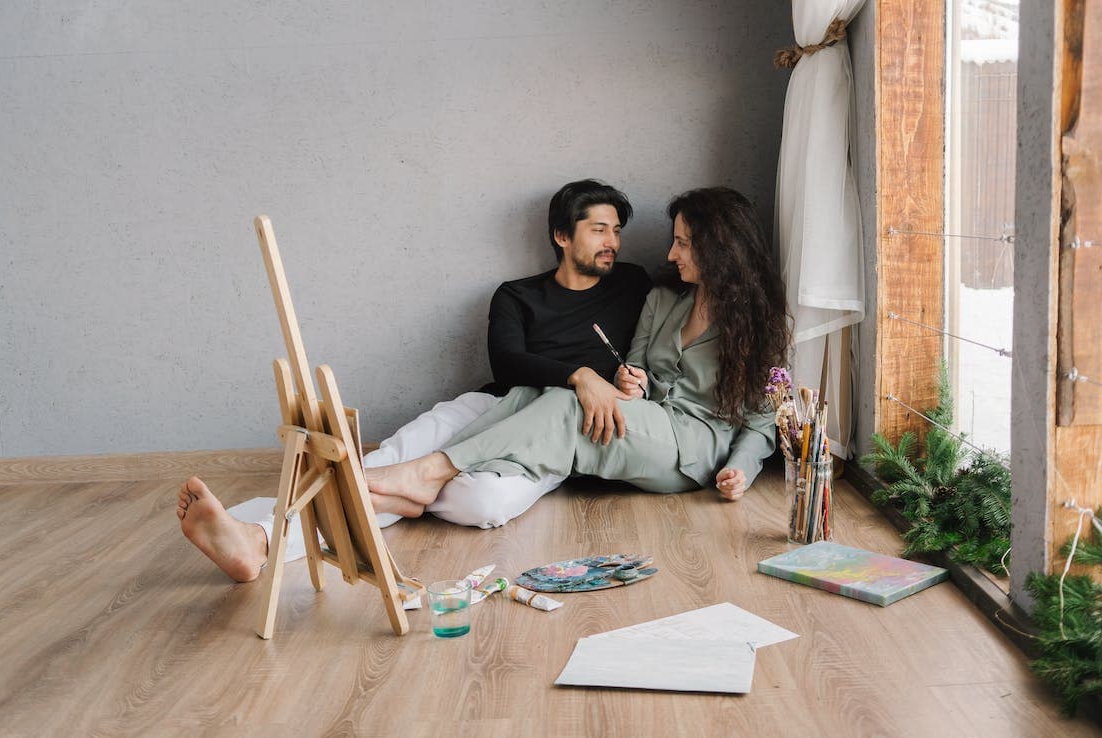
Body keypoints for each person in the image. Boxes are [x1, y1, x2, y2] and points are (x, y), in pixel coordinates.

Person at [177, 179, 651, 581]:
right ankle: (260, 539)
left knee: (481, 503)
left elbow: (662, 349)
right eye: (599, 229)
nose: (613, 240)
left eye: (616, 230)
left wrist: (635, 381)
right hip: (492, 405)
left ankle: (392, 493)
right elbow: (506, 363)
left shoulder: (633, 285)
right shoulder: (516, 295)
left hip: (551, 432)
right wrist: (580, 374)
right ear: (562, 236)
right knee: (391, 458)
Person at [365, 187, 790, 515]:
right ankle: (413, 489)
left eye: (683, 243)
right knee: (536, 394)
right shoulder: (663, 299)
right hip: (647, 418)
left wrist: (742, 470)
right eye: (674, 240)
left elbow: (761, 421)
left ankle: (430, 471)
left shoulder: (754, 322)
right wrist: (634, 382)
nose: (670, 253)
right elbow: (636, 366)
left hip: (692, 450)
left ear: (718, 248)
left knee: (569, 406)